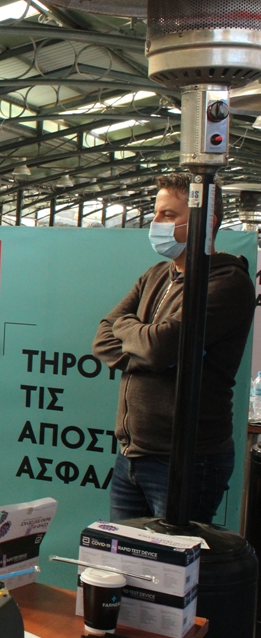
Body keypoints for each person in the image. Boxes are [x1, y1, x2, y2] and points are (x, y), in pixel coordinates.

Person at [92, 173, 254, 524]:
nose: (156, 223)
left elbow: (159, 347)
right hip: (131, 456)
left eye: (168, 215)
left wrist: (136, 337)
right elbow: (103, 337)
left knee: (172, 558)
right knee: (121, 555)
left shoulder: (226, 282)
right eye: (156, 214)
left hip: (187, 460)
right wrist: (147, 347)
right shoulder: (155, 275)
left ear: (205, 222)